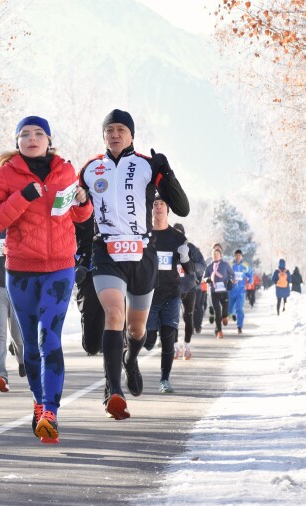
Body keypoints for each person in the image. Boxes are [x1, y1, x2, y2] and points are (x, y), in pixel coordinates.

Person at [0, 115, 92, 444]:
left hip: (59, 267)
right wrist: (22, 197)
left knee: (49, 339)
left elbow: (79, 215)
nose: (32, 138)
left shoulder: (65, 171)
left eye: (38, 133)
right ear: (17, 142)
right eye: (25, 134)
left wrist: (83, 202)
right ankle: (39, 402)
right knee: (30, 344)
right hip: (22, 270)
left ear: (48, 140)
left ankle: (51, 413)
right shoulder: (6, 174)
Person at [79, 109, 189, 420]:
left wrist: (167, 173)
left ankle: (130, 359)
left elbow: (182, 208)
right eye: (109, 129)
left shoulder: (146, 165)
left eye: (121, 129)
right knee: (114, 314)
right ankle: (113, 391)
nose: (115, 134)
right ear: (103, 135)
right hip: (107, 252)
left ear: (131, 135)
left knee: (136, 328)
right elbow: (76, 214)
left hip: (142, 254)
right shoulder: (90, 169)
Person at [142, 197, 194, 391]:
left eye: (162, 204)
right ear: (151, 210)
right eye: (155, 205)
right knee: (149, 341)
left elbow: (189, 270)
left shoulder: (177, 238)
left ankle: (164, 380)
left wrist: (185, 257)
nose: (158, 208)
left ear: (168, 209)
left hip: (171, 294)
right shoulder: (144, 235)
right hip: (149, 295)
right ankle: (145, 341)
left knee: (168, 338)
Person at [0, 229, 26, 393]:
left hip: (16, 288)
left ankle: (22, 360)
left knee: (18, 335)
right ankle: (1, 375)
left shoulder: (17, 226)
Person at [172, 223, 205, 355]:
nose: (177, 235)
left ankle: (187, 345)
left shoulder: (190, 248)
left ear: (183, 234)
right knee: (173, 318)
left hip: (189, 287)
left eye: (179, 232)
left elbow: (202, 264)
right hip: (173, 287)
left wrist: (191, 268)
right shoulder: (168, 247)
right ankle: (175, 346)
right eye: (174, 232)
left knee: (188, 317)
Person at [75, 216, 105, 356]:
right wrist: (75, 265)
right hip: (87, 269)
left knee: (112, 311)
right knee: (91, 346)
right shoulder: (78, 208)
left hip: (111, 267)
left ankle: (113, 339)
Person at [202, 247, 234, 338]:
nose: (215, 256)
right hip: (214, 292)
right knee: (217, 312)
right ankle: (219, 331)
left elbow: (232, 274)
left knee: (224, 310)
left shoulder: (225, 265)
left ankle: (225, 316)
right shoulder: (209, 267)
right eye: (214, 254)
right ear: (212, 256)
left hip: (224, 291)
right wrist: (208, 279)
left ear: (220, 255)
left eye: (217, 254)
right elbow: (204, 277)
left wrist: (230, 280)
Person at [229, 249, 253, 334]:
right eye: (236, 255)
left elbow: (250, 275)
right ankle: (232, 313)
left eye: (239, 255)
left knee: (239, 308)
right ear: (234, 256)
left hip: (241, 291)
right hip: (231, 291)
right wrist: (231, 280)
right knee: (229, 309)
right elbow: (226, 274)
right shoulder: (230, 265)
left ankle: (239, 326)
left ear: (242, 256)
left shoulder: (245, 265)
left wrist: (249, 282)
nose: (238, 257)